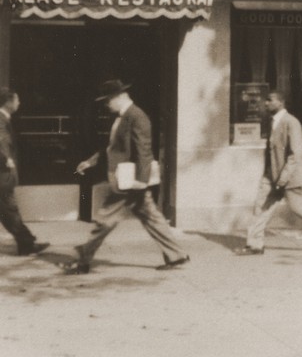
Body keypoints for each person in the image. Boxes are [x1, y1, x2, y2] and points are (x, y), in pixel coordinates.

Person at [62, 79, 188, 274]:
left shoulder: (137, 117)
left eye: (108, 100)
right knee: (152, 218)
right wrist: (90, 162)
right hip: (129, 181)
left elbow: (144, 150)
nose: (106, 104)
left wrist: (141, 181)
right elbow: (113, 149)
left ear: (119, 97)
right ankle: (177, 255)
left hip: (129, 183)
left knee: (105, 220)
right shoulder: (123, 117)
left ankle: (82, 259)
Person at [237, 90, 302, 255]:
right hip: (271, 175)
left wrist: (283, 179)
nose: (266, 103)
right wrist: (269, 174)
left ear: (281, 103)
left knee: (301, 208)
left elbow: (295, 153)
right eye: (266, 100)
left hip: (289, 176)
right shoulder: (272, 122)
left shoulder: (291, 122)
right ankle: (255, 245)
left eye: (270, 100)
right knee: (260, 207)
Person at [0, 88, 47, 256]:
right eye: (17, 100)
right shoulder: (1, 119)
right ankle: (27, 243)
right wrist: (8, 159)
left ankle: (26, 242)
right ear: (8, 102)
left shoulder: (5, 119)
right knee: (9, 209)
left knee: (7, 210)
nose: (19, 103)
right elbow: (2, 140)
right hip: (3, 173)